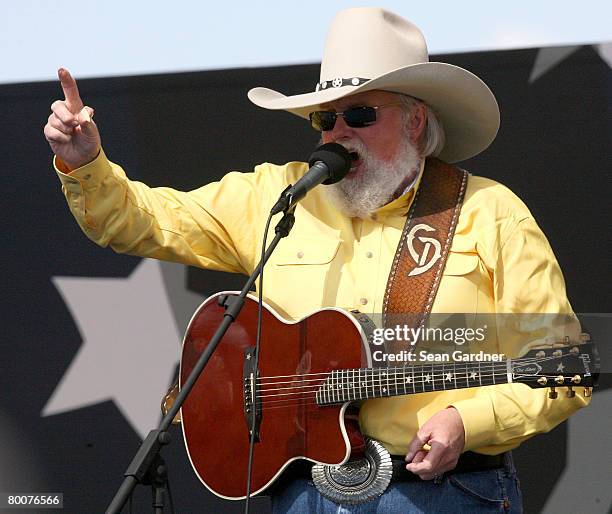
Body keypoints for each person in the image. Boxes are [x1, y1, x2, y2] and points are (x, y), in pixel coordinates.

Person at [44, 7, 590, 514]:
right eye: (325, 120)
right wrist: (86, 162)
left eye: (359, 113)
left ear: (416, 121)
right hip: (302, 492)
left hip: (445, 492)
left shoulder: (489, 214)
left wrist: (465, 421)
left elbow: (564, 367)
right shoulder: (278, 195)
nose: (337, 133)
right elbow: (142, 220)